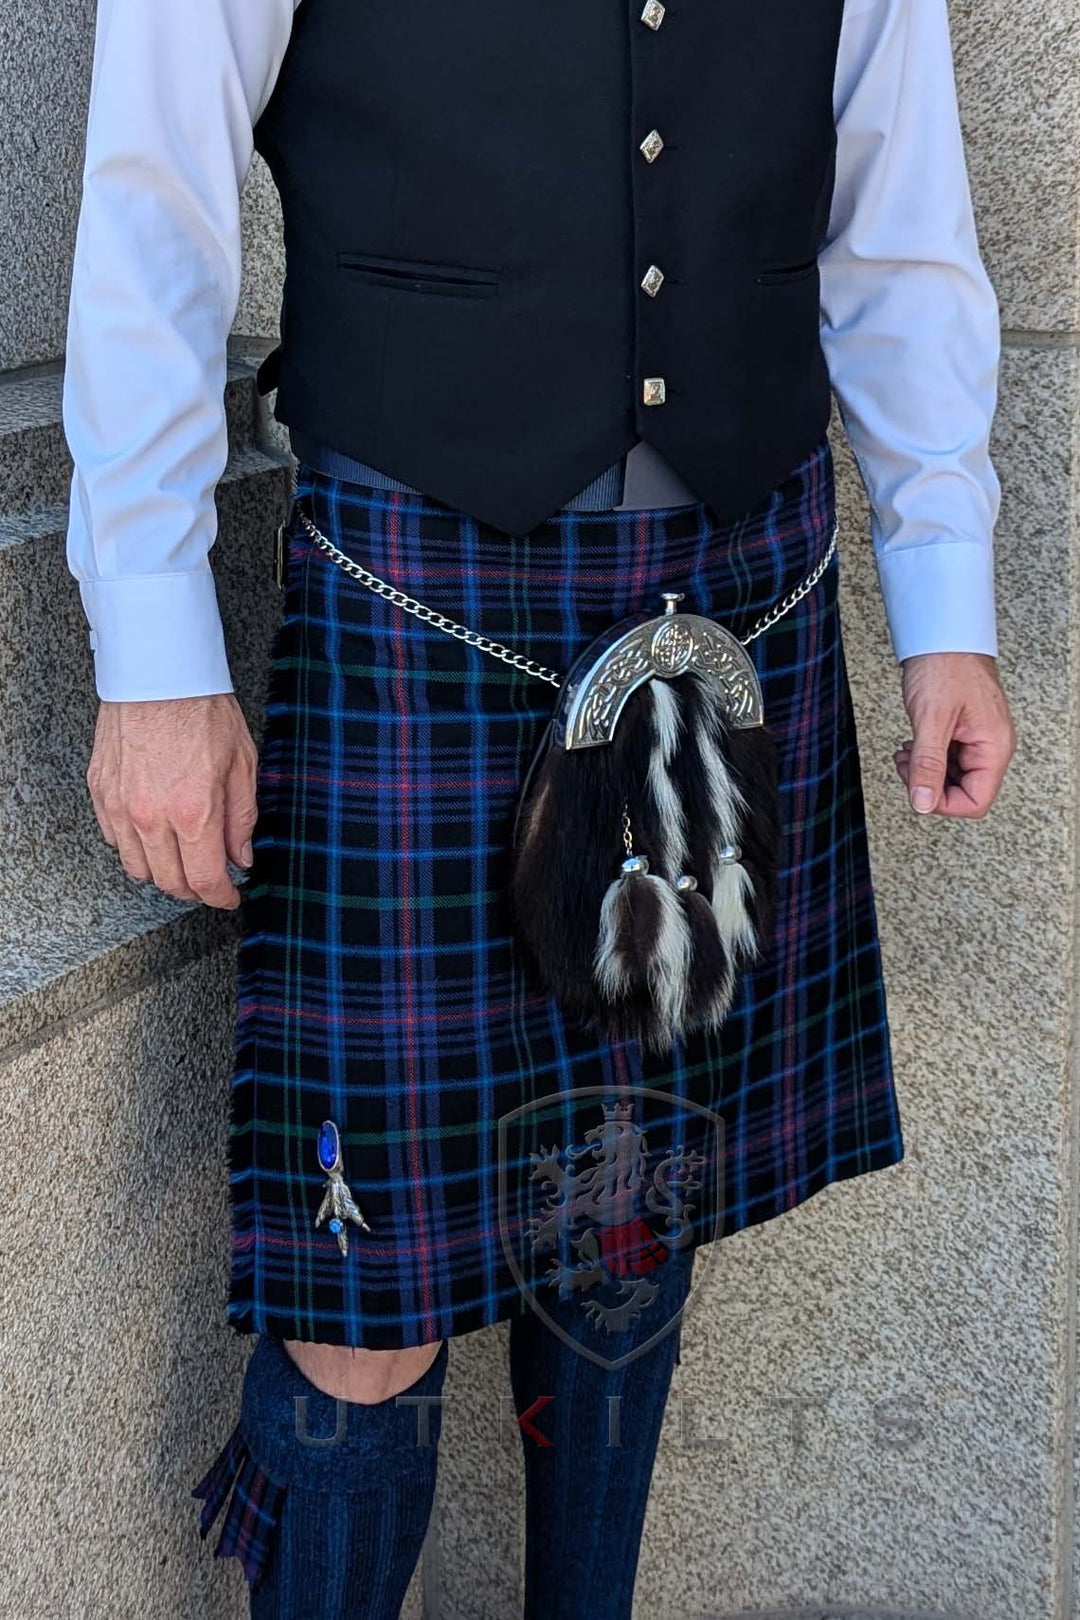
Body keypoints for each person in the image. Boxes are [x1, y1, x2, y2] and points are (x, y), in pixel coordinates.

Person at [61, 0, 1016, 1613]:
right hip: (412, 575)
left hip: (731, 584)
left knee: (635, 1204)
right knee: (361, 1299)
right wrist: (153, 649)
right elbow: (154, 189)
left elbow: (893, 204)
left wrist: (949, 600)